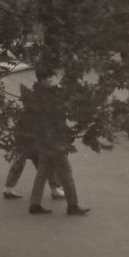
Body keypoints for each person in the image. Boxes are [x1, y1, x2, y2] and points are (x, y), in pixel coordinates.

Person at [26, 68, 90, 216]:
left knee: (42, 172)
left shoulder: (36, 95)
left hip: (44, 140)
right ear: (43, 79)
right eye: (50, 77)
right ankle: (72, 206)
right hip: (55, 140)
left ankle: (34, 204)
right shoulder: (51, 96)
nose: (52, 80)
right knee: (66, 173)